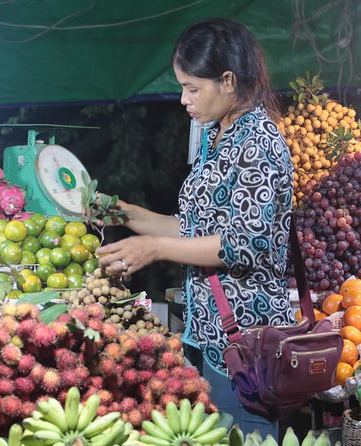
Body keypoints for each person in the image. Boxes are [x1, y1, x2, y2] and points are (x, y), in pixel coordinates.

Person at [96, 18, 295, 438]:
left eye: (192, 88)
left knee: (246, 434)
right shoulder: (216, 136)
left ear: (227, 81)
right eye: (182, 87)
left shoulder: (258, 141)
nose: (184, 99)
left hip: (248, 341)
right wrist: (125, 213)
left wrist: (154, 248)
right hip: (210, 334)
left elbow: (244, 243)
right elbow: (192, 228)